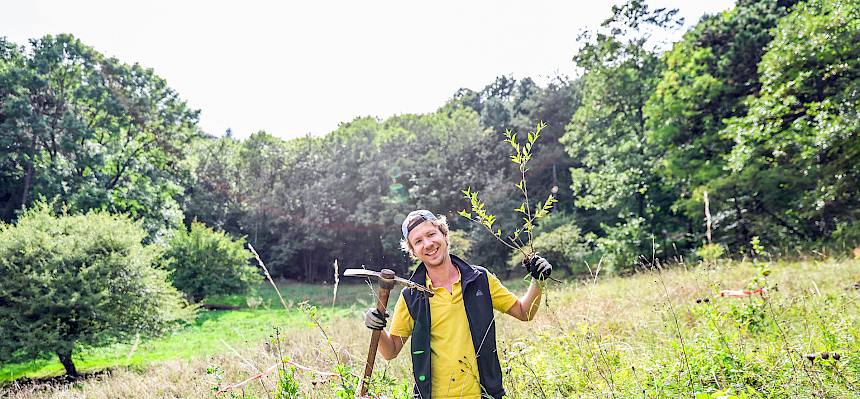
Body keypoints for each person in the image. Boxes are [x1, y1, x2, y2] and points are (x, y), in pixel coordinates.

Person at [364, 209, 552, 399]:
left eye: (431, 234)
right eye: (418, 241)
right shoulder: (411, 296)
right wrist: (376, 327)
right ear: (413, 252)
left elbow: (524, 312)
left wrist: (538, 280)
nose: (428, 244)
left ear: (445, 235)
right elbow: (391, 351)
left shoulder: (480, 279)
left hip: (485, 394)